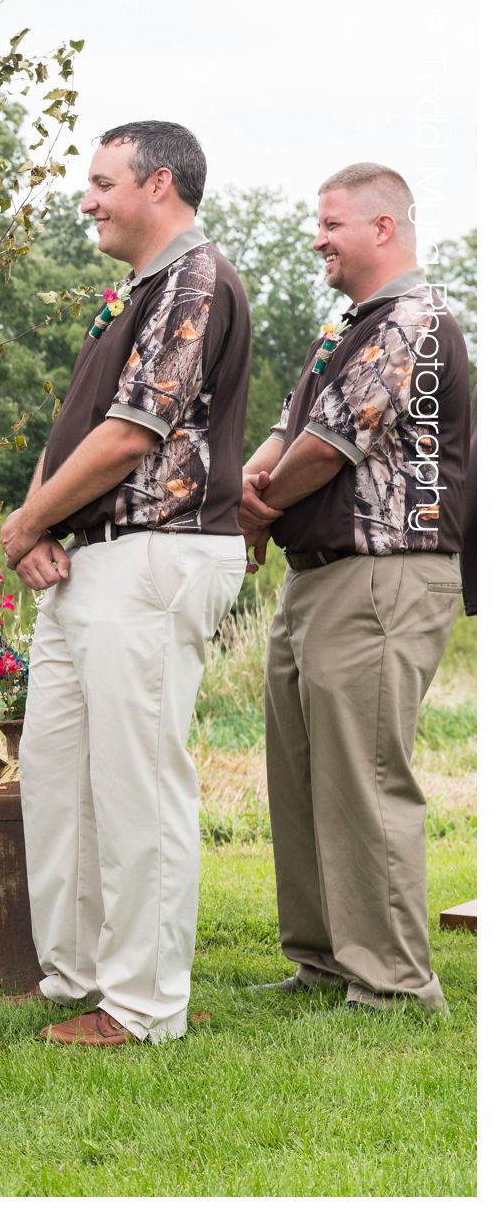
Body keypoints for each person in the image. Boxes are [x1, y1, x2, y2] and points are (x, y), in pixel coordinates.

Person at [0, 121, 250, 1047]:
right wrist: (32, 530)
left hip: (156, 551)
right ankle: (77, 975)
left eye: (102, 182)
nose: (88, 199)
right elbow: (77, 427)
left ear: (158, 184)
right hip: (90, 558)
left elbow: (132, 433)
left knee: (139, 783)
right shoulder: (135, 291)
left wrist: (31, 522)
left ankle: (144, 1006)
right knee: (60, 776)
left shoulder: (195, 278)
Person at [238, 163, 472, 1014]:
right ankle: (326, 959)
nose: (317, 237)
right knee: (304, 774)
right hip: (323, 575)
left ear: (384, 227)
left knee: (366, 778)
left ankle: (396, 984)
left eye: (331, 223)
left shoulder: (414, 319)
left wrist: (257, 503)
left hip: (385, 573)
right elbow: (289, 424)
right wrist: (255, 482)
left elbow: (333, 443)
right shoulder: (352, 322)